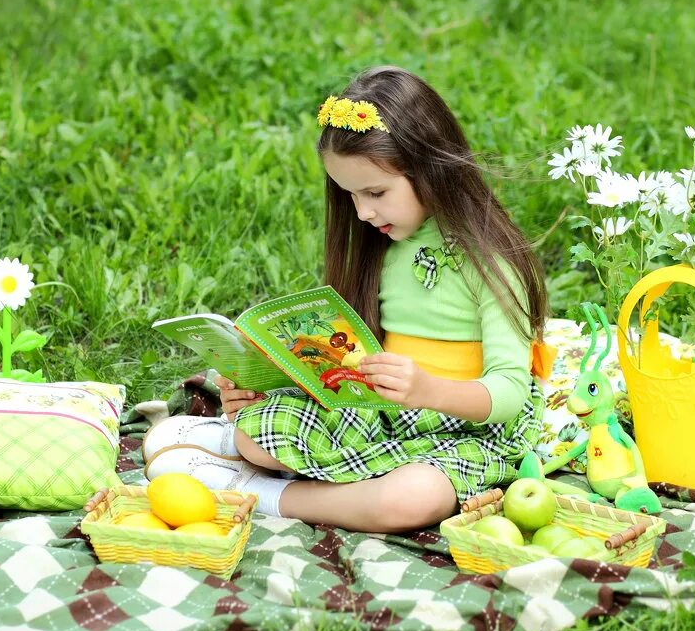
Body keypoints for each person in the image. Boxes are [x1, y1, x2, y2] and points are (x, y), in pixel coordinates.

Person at [93, 66, 551, 533]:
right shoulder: (385, 247)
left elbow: (509, 394)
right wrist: (266, 382)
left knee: (411, 500)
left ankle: (266, 494)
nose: (364, 213)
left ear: (431, 166)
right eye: (350, 195)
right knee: (257, 433)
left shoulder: (493, 264)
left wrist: (427, 390)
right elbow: (352, 363)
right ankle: (237, 451)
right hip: (385, 415)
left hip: (466, 429)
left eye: (376, 192)